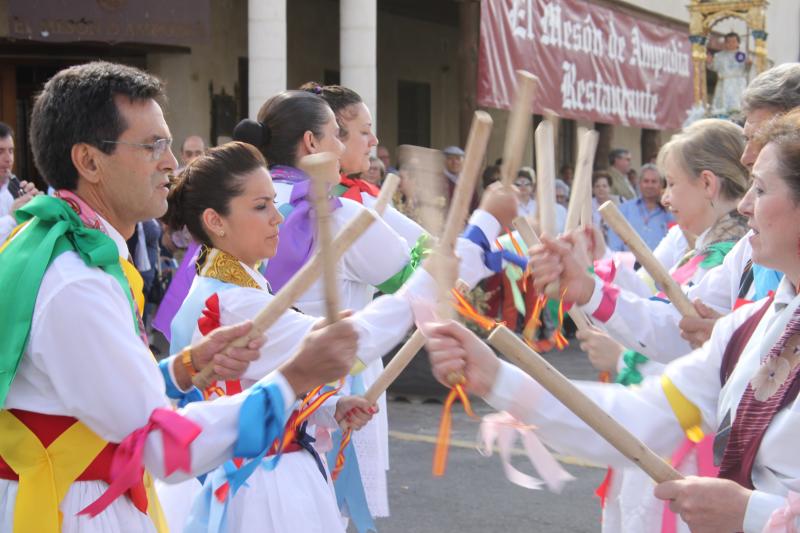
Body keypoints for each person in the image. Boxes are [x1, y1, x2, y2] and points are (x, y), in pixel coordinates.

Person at [0, 61, 358, 532]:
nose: (170, 163)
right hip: (74, 512)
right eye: (153, 146)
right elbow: (167, 447)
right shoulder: (75, 280)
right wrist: (295, 376)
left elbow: (89, 391)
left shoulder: (57, 249)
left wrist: (183, 368)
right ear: (89, 161)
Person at [427, 108, 800, 533]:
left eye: (761, 189)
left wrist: (751, 515)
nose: (746, 205)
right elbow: (638, 416)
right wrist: (495, 377)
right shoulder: (748, 327)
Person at [233, 88, 515, 526]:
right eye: (337, 135)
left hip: (247, 397)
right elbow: (416, 281)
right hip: (337, 388)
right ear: (312, 143)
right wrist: (470, 239)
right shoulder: (336, 213)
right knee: (329, 506)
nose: (347, 145)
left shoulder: (239, 211)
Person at [161, 141, 474, 533]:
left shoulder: (219, 287)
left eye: (274, 203)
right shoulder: (234, 305)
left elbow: (261, 384)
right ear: (215, 221)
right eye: (260, 207)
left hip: (244, 476)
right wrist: (429, 281)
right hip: (261, 487)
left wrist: (329, 407)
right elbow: (347, 345)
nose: (278, 217)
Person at [573, 119, 749, 532]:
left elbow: (676, 335)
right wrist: (593, 265)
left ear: (707, 184)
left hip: (690, 437)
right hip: (664, 426)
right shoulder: (695, 245)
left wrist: (622, 357)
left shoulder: (732, 254)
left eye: (672, 184)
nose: (666, 197)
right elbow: (648, 296)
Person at [606, 163, 673, 252]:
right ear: (639, 183)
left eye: (654, 181)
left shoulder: (670, 212)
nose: (650, 185)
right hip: (628, 264)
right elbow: (614, 244)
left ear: (661, 185)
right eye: (646, 181)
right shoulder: (624, 209)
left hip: (662, 264)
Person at [0, 122, 39, 240]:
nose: (9, 159)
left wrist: (38, 210)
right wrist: (12, 218)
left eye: (11, 151)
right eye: (0, 151)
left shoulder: (10, 191)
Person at [707, 32, 750, 116]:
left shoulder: (743, 55)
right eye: (728, 41)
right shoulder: (718, 56)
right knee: (723, 109)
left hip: (738, 85)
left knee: (738, 108)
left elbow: (746, 71)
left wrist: (749, 65)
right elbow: (713, 67)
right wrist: (709, 62)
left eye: (733, 41)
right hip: (724, 83)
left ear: (738, 43)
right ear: (725, 43)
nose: (731, 44)